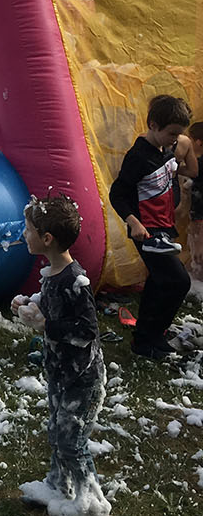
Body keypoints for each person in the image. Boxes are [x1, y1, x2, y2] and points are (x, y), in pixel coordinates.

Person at [12, 194, 111, 516]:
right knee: (58, 432)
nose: (24, 235)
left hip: (82, 379)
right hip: (60, 372)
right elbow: (52, 304)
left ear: (47, 239)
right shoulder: (54, 273)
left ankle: (91, 502)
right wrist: (31, 301)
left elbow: (87, 329)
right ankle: (58, 484)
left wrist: (44, 324)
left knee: (72, 440)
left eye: (28, 230)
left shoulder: (75, 281)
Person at [108, 94, 197, 359]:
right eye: (172, 133)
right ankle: (149, 336)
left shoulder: (166, 149)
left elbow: (185, 172)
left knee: (159, 282)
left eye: (179, 134)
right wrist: (133, 222)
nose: (176, 139)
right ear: (153, 125)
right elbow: (118, 194)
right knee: (179, 281)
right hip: (146, 231)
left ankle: (148, 338)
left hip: (164, 228)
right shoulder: (138, 156)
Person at [186, 122, 203, 290]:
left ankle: (199, 281)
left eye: (190, 138)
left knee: (199, 249)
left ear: (198, 142)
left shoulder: (199, 163)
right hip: (199, 212)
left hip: (200, 213)